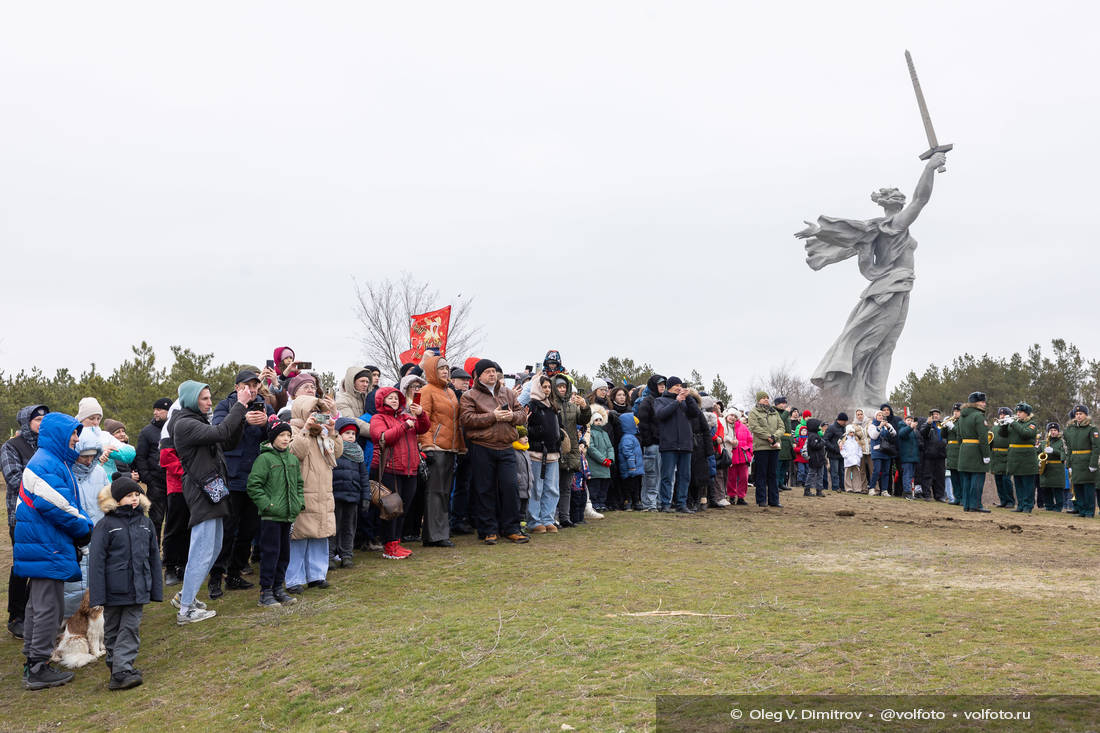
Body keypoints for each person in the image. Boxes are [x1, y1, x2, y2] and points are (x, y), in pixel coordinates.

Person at [14, 412, 94, 690]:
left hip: (43, 544)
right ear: (60, 434)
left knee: (40, 605)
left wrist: (82, 520)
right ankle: (38, 666)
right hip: (45, 545)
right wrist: (85, 527)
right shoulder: (46, 463)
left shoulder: (52, 462)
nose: (76, 438)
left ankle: (33, 661)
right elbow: (57, 505)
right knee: (49, 607)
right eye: (73, 433)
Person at [170, 379, 251, 624]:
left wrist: (242, 415)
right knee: (202, 549)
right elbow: (221, 432)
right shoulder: (184, 424)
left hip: (212, 489)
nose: (209, 403)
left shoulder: (198, 421)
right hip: (200, 490)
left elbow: (228, 441)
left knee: (213, 548)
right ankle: (185, 611)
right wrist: (239, 405)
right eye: (204, 398)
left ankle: (186, 595)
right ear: (192, 399)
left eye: (209, 398)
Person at [87, 476, 162, 690]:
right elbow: (97, 562)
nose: (134, 499)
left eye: (137, 494)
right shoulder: (105, 525)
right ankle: (118, 669)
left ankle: (121, 670)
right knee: (113, 629)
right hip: (114, 590)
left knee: (129, 628)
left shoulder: (146, 523)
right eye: (129, 495)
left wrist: (154, 588)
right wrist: (98, 595)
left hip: (138, 589)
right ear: (117, 499)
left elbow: (153, 558)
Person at [208, 370, 272, 599]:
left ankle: (235, 573)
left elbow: (276, 437)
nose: (252, 390)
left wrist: (267, 424)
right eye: (247, 385)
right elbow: (219, 433)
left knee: (248, 530)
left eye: (255, 385)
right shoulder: (225, 406)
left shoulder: (265, 406)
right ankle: (216, 577)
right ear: (237, 387)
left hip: (257, 479)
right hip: (231, 477)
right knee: (226, 531)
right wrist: (242, 418)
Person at [457, 359, 529, 544]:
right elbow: (466, 419)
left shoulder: (508, 393)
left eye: (494, 371)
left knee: (510, 487)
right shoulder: (469, 396)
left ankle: (512, 528)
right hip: (482, 447)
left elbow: (522, 415)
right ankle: (488, 530)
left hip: (506, 446)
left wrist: (512, 416)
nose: (492, 374)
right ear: (478, 375)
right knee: (484, 489)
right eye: (487, 371)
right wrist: (493, 416)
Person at [246, 420, 304, 607]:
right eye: (281, 435)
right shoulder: (264, 459)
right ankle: (266, 591)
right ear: (273, 438)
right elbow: (254, 486)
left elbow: (299, 484)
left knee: (284, 554)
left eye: (288, 435)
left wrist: (298, 503)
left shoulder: (293, 459)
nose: (286, 439)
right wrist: (268, 506)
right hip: (271, 516)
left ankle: (279, 587)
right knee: (270, 553)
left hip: (288, 515)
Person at [2, 404, 48, 639]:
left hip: (47, 515)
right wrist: (46, 485)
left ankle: (35, 612)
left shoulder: (48, 445)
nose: (41, 423)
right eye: (37, 419)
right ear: (26, 421)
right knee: (22, 565)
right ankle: (16, 617)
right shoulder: (11, 446)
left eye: (44, 419)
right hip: (21, 516)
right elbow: (13, 478)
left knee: (41, 564)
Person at [287, 395, 343, 584]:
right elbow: (295, 452)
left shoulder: (322, 433)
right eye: (312, 412)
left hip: (323, 490)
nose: (315, 416)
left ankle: (318, 575)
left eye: (318, 412)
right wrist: (305, 429)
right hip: (303, 490)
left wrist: (333, 432)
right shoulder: (291, 429)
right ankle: (295, 579)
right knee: (299, 536)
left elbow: (337, 453)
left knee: (321, 533)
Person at [370, 386, 428, 558]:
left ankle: (396, 542)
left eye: (396, 397)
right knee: (391, 509)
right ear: (382, 400)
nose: (394, 400)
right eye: (390, 398)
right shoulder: (378, 418)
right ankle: (389, 546)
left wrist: (420, 414)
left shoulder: (406, 417)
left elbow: (424, 427)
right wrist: (404, 426)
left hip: (410, 469)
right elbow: (382, 437)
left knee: (403, 508)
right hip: (390, 470)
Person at [417, 354, 463, 548]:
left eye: (447, 368)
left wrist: (459, 446)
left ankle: (440, 532)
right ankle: (433, 535)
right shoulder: (427, 390)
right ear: (431, 371)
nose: (445, 371)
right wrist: (427, 445)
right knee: (434, 492)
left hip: (450, 448)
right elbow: (423, 420)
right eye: (441, 368)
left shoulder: (450, 392)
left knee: (444, 492)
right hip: (435, 448)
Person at [654, 377, 701, 513]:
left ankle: (682, 503)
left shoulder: (686, 401)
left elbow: (695, 413)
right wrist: (677, 402)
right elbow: (661, 415)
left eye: (680, 385)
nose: (679, 387)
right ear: (669, 387)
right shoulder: (660, 401)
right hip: (669, 444)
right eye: (676, 385)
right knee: (667, 476)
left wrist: (689, 398)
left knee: (685, 476)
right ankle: (665, 504)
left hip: (686, 444)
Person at [524, 373, 564, 533]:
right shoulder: (531, 405)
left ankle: (548, 518)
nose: (547, 390)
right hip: (536, 452)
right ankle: (534, 521)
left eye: (548, 387)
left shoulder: (553, 406)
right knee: (536, 488)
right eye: (543, 386)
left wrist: (559, 436)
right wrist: (539, 431)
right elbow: (525, 427)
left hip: (553, 453)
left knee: (552, 488)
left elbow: (559, 427)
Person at [549, 373, 590, 527]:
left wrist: (585, 408)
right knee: (552, 487)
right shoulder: (550, 405)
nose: (562, 389)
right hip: (555, 450)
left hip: (571, 451)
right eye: (559, 386)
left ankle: (565, 518)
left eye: (564, 386)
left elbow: (583, 420)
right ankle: (552, 517)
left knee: (566, 487)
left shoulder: (572, 407)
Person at [158, 401, 189, 587]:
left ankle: (184, 564)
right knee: (174, 527)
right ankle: (170, 566)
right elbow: (166, 458)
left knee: (190, 527)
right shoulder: (169, 427)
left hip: (194, 485)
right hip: (177, 486)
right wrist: (189, 471)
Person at [134, 398, 171, 543]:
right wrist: (148, 478)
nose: (156, 412)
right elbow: (140, 457)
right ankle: (154, 553)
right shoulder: (147, 432)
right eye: (155, 409)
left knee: (173, 520)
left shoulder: (174, 428)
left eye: (160, 409)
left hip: (175, 481)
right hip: (156, 483)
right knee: (155, 520)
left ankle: (171, 556)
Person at [332, 419, 369, 566]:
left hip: (353, 495)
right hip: (336, 495)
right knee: (334, 527)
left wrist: (366, 497)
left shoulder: (358, 453)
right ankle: (330, 554)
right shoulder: (334, 451)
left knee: (349, 527)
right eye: (347, 433)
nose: (351, 436)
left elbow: (364, 477)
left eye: (353, 433)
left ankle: (346, 554)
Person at [448, 366, 475, 536]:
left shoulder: (469, 397)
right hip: (451, 445)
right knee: (448, 486)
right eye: (462, 380)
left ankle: (459, 520)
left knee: (463, 486)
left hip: (467, 446)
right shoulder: (449, 396)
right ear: (452, 381)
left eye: (467, 380)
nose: (466, 382)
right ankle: (449, 521)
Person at [956, 391, 992, 513]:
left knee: (966, 480)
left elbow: (958, 436)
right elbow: (983, 438)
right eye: (982, 401)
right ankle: (975, 505)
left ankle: (966, 505)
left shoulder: (962, 416)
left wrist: (963, 448)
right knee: (977, 479)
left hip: (964, 449)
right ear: (975, 403)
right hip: (976, 450)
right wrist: (986, 454)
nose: (984, 404)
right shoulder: (978, 416)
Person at [746, 392, 784, 508]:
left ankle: (774, 500)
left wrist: (774, 437)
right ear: (758, 400)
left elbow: (781, 427)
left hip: (774, 447)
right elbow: (754, 427)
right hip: (761, 447)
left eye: (767, 398)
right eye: (763, 398)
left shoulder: (774, 412)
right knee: (761, 474)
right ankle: (761, 500)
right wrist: (768, 437)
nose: (766, 400)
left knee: (773, 474)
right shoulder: (754, 412)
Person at [634, 375, 665, 512]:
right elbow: (643, 423)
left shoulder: (663, 401)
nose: (662, 386)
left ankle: (657, 502)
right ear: (653, 385)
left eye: (664, 384)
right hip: (651, 445)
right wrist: (648, 441)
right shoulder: (647, 401)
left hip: (663, 445)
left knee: (660, 475)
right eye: (659, 384)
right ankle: (649, 503)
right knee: (650, 475)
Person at [1001, 402, 1039, 513]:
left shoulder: (1032, 424)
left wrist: (1013, 423)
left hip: (1027, 457)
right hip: (1015, 456)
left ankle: (1028, 505)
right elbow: (1003, 435)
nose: (1018, 414)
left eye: (1020, 412)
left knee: (1028, 483)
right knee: (1018, 482)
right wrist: (1003, 425)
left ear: (1027, 414)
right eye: (1017, 412)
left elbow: (1025, 434)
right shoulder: (1015, 423)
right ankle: (1021, 505)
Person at [1063, 405, 1099, 517]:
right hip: (1075, 460)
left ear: (1085, 415)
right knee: (1077, 486)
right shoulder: (1071, 429)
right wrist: (1068, 463)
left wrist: (1093, 464)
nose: (1078, 416)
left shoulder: (1091, 429)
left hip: (1087, 461)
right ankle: (1082, 510)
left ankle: (1089, 511)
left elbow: (1096, 447)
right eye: (1077, 414)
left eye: (1081, 414)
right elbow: (1069, 448)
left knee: (1088, 487)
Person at [586, 406, 615, 512]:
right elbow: (591, 449)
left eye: (600, 420)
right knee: (595, 486)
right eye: (596, 420)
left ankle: (602, 503)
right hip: (595, 465)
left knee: (604, 485)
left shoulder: (605, 433)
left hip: (606, 465)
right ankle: (594, 503)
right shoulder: (590, 433)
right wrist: (603, 459)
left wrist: (610, 458)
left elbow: (610, 447)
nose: (598, 422)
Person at [723, 408, 752, 505]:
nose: (733, 418)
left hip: (743, 456)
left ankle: (741, 497)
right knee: (731, 478)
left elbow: (750, 440)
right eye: (731, 415)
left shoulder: (743, 427)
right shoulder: (725, 426)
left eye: (735, 416)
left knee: (744, 478)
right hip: (731, 456)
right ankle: (731, 496)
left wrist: (749, 452)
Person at [918, 409, 947, 502]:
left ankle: (939, 496)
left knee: (940, 477)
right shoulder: (926, 425)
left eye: (937, 414)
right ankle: (927, 495)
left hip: (941, 455)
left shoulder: (943, 425)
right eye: (933, 414)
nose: (936, 416)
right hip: (929, 455)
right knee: (927, 476)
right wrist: (928, 424)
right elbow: (923, 433)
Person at [617, 412, 644, 511]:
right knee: (629, 486)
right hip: (630, 468)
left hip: (635, 468)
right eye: (635, 424)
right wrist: (632, 465)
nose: (637, 426)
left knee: (636, 486)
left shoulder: (631, 436)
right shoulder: (627, 438)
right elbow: (628, 453)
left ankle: (636, 502)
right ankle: (628, 502)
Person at [1037, 423, 1066, 512]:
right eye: (1051, 430)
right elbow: (1037, 453)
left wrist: (1054, 451)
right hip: (1046, 468)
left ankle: (1058, 507)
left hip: (1057, 468)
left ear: (1058, 431)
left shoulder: (1062, 442)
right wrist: (1038, 461)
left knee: (1057, 489)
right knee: (1046, 488)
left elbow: (1063, 455)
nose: (1053, 432)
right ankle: (1049, 506)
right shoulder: (1043, 443)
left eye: (1055, 430)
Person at [867, 411, 897, 497]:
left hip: (886, 451)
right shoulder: (872, 426)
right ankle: (871, 489)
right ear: (875, 417)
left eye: (882, 415)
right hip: (877, 451)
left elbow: (894, 434)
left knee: (886, 472)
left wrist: (887, 426)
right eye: (879, 415)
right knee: (876, 471)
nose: (880, 417)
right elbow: (873, 436)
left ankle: (884, 490)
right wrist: (880, 426)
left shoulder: (887, 425)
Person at [989, 407, 1014, 508]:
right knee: (998, 480)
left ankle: (1010, 501)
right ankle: (1003, 500)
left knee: (1006, 480)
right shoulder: (995, 427)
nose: (1002, 416)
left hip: (1006, 455)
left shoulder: (1010, 426)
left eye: (1004, 414)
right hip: (995, 456)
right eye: (1000, 414)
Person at [942, 403, 963, 505]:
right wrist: (945, 427)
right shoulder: (952, 421)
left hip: (959, 450)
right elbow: (943, 436)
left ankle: (963, 498)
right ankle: (957, 498)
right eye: (954, 411)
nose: (955, 413)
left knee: (961, 476)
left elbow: (961, 433)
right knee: (954, 476)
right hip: (951, 450)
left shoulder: (963, 421)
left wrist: (952, 427)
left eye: (958, 411)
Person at [823, 413, 848, 493]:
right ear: (839, 420)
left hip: (842, 454)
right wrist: (834, 448)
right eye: (844, 421)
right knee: (835, 471)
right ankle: (835, 487)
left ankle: (842, 487)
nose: (845, 423)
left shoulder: (844, 429)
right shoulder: (831, 428)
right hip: (833, 454)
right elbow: (825, 440)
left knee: (842, 471)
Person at [897, 415, 920, 498]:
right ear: (904, 421)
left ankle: (909, 491)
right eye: (908, 420)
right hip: (906, 457)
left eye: (911, 420)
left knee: (911, 476)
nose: (910, 421)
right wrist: (910, 427)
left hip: (913, 457)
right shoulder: (902, 427)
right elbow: (902, 434)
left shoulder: (914, 431)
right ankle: (907, 492)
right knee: (907, 475)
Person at [802, 417, 827, 497]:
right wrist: (822, 442)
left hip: (820, 458)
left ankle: (819, 490)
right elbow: (814, 445)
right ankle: (807, 489)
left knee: (820, 475)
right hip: (814, 459)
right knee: (811, 474)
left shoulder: (815, 435)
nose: (819, 427)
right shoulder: (812, 436)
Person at [773, 397, 794, 491]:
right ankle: (775, 484)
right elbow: (778, 422)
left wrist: (792, 440)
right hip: (780, 439)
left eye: (785, 403)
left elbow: (789, 429)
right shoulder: (774, 411)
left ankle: (781, 483)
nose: (784, 405)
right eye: (782, 403)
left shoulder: (786, 413)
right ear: (777, 404)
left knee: (785, 464)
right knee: (778, 464)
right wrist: (786, 413)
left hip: (788, 441)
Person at [840, 424, 867, 493]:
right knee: (847, 475)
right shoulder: (844, 441)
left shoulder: (856, 441)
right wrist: (846, 456)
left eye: (853, 432)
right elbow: (842, 450)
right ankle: (849, 488)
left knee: (856, 474)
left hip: (856, 460)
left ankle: (857, 488)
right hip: (848, 460)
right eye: (850, 432)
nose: (852, 434)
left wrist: (859, 456)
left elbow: (859, 449)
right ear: (847, 432)